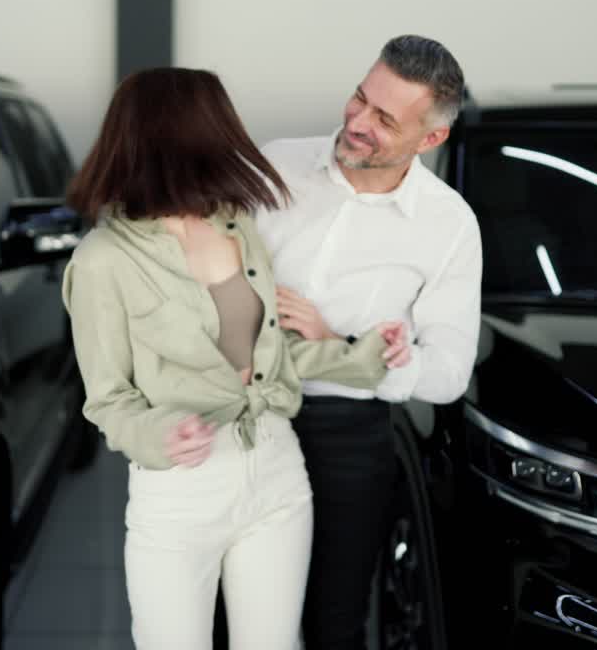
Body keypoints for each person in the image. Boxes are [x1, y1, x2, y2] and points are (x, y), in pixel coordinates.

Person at [61, 67, 412, 650]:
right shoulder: (103, 260)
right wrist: (160, 431)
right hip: (180, 490)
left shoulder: (238, 228)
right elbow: (108, 400)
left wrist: (368, 354)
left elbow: (274, 357)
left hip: (276, 474)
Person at [255, 35, 483, 649]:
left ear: (430, 139)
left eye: (384, 119)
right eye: (359, 98)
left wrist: (343, 347)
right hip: (245, 415)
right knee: (236, 614)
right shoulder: (276, 163)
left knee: (334, 621)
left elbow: (447, 373)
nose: (356, 122)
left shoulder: (450, 226)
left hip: (347, 431)